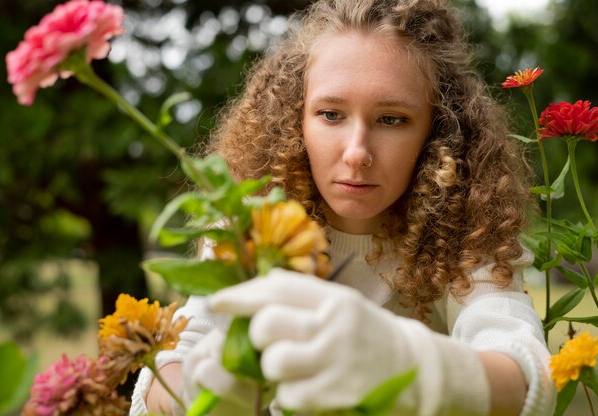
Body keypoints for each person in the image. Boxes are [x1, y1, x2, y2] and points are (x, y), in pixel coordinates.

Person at [130, 0, 556, 414]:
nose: (357, 153)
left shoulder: (469, 226)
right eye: (331, 114)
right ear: (295, 117)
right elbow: (179, 352)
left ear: (438, 129)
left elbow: (524, 373)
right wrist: (197, 395)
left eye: (391, 119)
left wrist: (409, 362)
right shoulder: (251, 218)